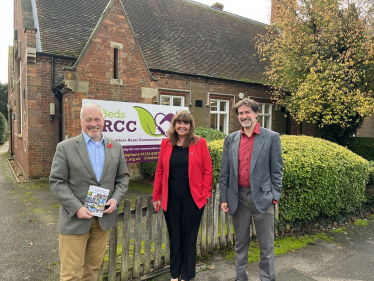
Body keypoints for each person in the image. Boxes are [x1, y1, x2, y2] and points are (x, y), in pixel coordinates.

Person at [49, 102, 130, 281]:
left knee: (92, 270)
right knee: (71, 274)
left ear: (103, 121)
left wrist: (115, 200)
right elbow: (57, 182)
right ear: (81, 121)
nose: (93, 123)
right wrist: (77, 207)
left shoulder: (115, 147)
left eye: (97, 119)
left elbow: (123, 178)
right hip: (75, 220)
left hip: (102, 221)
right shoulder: (65, 147)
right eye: (88, 119)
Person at [219, 98, 283, 281]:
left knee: (266, 246)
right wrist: (224, 197)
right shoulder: (230, 139)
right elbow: (225, 172)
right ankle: (241, 278)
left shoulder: (271, 137)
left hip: (263, 198)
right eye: (241, 113)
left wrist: (274, 197)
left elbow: (277, 170)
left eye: (247, 112)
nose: (244, 116)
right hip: (238, 198)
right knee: (240, 244)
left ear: (256, 113)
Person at [153, 110, 213, 281]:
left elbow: (208, 171)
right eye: (179, 122)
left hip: (193, 200)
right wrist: (156, 196)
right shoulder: (166, 143)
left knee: (189, 239)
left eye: (186, 123)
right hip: (171, 200)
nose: (182, 126)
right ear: (174, 125)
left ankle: (187, 275)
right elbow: (160, 171)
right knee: (175, 237)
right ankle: (175, 274)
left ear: (190, 126)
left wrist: (206, 193)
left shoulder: (199, 143)